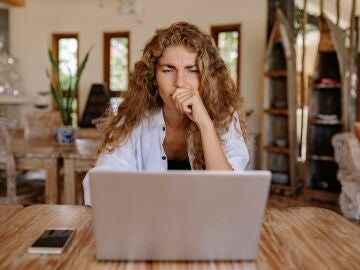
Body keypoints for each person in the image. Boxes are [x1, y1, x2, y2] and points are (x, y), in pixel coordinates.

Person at [83, 22, 249, 205]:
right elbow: (97, 187)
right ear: (154, 78)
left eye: (192, 70)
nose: (180, 82)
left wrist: (205, 125)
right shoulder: (134, 117)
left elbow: (229, 195)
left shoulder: (224, 116)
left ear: (207, 78)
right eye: (168, 70)